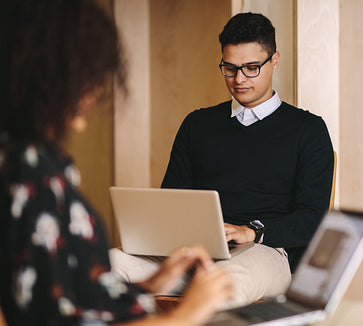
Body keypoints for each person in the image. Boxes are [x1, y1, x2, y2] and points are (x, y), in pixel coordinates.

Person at [0, 1, 232, 325]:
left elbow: (68, 294)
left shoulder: (42, 161)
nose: (95, 89)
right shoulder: (30, 177)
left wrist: (151, 285)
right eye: (87, 73)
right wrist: (186, 315)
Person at [110, 12, 334, 307]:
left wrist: (252, 231)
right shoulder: (197, 124)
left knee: (223, 282)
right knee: (107, 263)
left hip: (266, 252)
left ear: (274, 61)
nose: (239, 79)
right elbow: (173, 199)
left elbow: (311, 219)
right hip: (192, 254)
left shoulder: (308, 130)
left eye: (251, 68)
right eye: (230, 68)